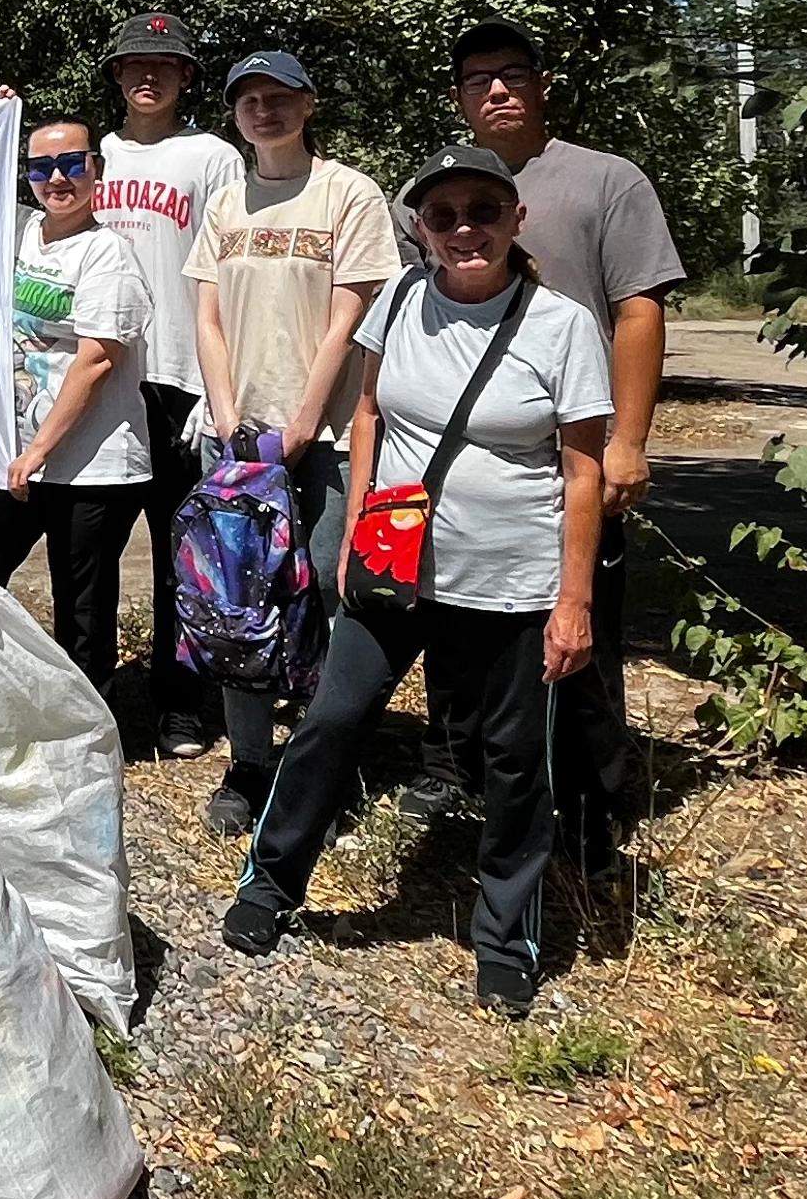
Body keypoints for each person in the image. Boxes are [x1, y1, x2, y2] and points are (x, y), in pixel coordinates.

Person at [222, 143, 612, 1022]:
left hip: (513, 582)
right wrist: (359, 524)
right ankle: (271, 884)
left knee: (514, 763)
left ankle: (505, 940)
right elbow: (366, 413)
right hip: (396, 567)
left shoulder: (561, 326)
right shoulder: (399, 299)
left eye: (483, 211)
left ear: (516, 220)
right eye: (443, 215)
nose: (464, 230)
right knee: (331, 720)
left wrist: (574, 600)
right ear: (422, 229)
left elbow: (582, 471)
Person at [401, 23, 690, 838]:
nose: (496, 90)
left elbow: (638, 310)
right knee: (452, 622)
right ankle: (452, 765)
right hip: (459, 456)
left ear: (543, 84)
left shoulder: (606, 181)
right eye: (478, 79)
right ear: (459, 97)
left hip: (569, 448)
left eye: (512, 74)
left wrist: (628, 440)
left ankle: (592, 797)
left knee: (577, 623)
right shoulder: (432, 191)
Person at [181, 50, 402, 838]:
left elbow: (351, 317)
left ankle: (321, 770)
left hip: (329, 439)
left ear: (309, 104)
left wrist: (304, 422)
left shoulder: (348, 194)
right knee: (236, 600)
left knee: (332, 599)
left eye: (280, 97)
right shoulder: (225, 204)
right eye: (249, 100)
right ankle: (250, 765)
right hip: (236, 441)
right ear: (235, 115)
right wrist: (226, 415)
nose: (264, 111)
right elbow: (208, 318)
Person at [90, 10, 244, 758]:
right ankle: (92, 697)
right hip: (100, 374)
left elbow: (232, 270)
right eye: (133, 64)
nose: (147, 76)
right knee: (92, 548)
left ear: (186, 76)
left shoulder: (213, 157)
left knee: (181, 550)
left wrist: (219, 387)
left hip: (179, 377)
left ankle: (181, 702)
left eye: (164, 64)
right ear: (117, 75)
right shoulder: (95, 154)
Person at [0, 117, 153, 694]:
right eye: (41, 168)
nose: (57, 179)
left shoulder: (108, 253)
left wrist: (39, 451)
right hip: (9, 453)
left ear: (96, 169)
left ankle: (93, 722)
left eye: (72, 164)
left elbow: (96, 360)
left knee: (82, 608)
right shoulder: (16, 231)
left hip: (89, 466)